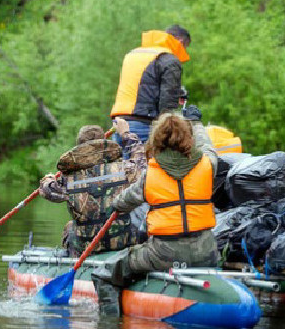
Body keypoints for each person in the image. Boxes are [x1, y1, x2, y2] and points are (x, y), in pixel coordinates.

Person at [92, 111, 219, 315]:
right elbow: (207, 146)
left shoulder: (150, 175)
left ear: (156, 140)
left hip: (162, 254)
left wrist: (114, 205)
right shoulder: (208, 164)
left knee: (104, 273)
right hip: (207, 252)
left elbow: (121, 202)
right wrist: (196, 122)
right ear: (189, 138)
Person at [39, 119, 147, 256]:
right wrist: (125, 133)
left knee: (69, 227)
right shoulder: (124, 170)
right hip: (122, 241)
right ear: (104, 144)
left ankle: (74, 259)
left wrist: (48, 180)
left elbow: (47, 191)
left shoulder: (68, 179)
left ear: (78, 148)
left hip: (86, 246)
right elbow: (142, 164)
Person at [109, 25, 192, 143]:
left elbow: (141, 88)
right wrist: (169, 133)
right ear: (180, 42)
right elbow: (167, 103)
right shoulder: (169, 59)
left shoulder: (134, 54)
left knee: (123, 161)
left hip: (119, 124)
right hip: (144, 126)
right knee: (142, 161)